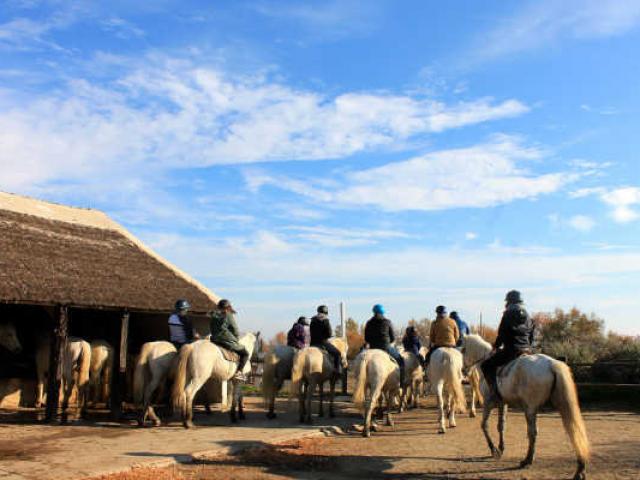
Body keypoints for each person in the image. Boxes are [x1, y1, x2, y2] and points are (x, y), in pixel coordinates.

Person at [481, 290, 535, 401]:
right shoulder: (528, 316)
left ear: (509, 301)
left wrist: (496, 347)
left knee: (486, 365)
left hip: (511, 351)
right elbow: (531, 335)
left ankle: (494, 392)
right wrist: (529, 347)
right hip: (527, 350)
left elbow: (502, 333)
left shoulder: (508, 314)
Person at [364, 304, 405, 387]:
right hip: (385, 347)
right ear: (383, 312)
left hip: (372, 348)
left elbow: (366, 338)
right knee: (401, 360)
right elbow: (393, 337)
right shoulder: (387, 322)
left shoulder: (369, 322)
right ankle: (401, 383)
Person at [209, 299, 249, 381]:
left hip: (214, 340)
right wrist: (236, 339)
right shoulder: (228, 315)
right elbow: (235, 329)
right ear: (228, 307)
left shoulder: (213, 315)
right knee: (245, 353)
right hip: (226, 341)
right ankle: (239, 372)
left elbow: (211, 328)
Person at [309, 305, 342, 373]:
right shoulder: (325, 320)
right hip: (322, 343)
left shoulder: (313, 320)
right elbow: (329, 334)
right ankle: (337, 370)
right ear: (326, 312)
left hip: (312, 344)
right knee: (338, 353)